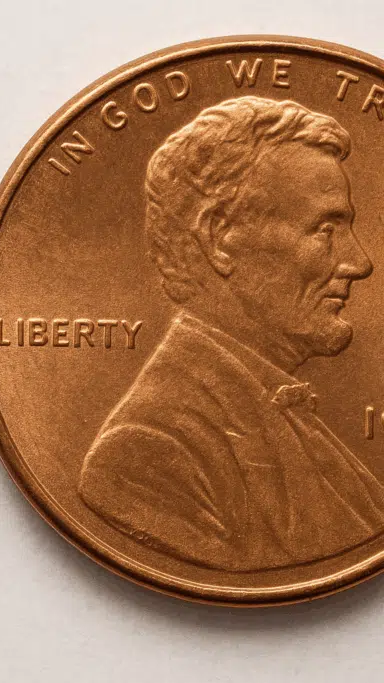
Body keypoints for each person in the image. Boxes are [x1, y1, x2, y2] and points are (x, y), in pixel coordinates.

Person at [78, 96, 384, 571]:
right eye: (326, 229)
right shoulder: (146, 452)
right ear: (218, 237)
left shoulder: (272, 407)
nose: (359, 263)